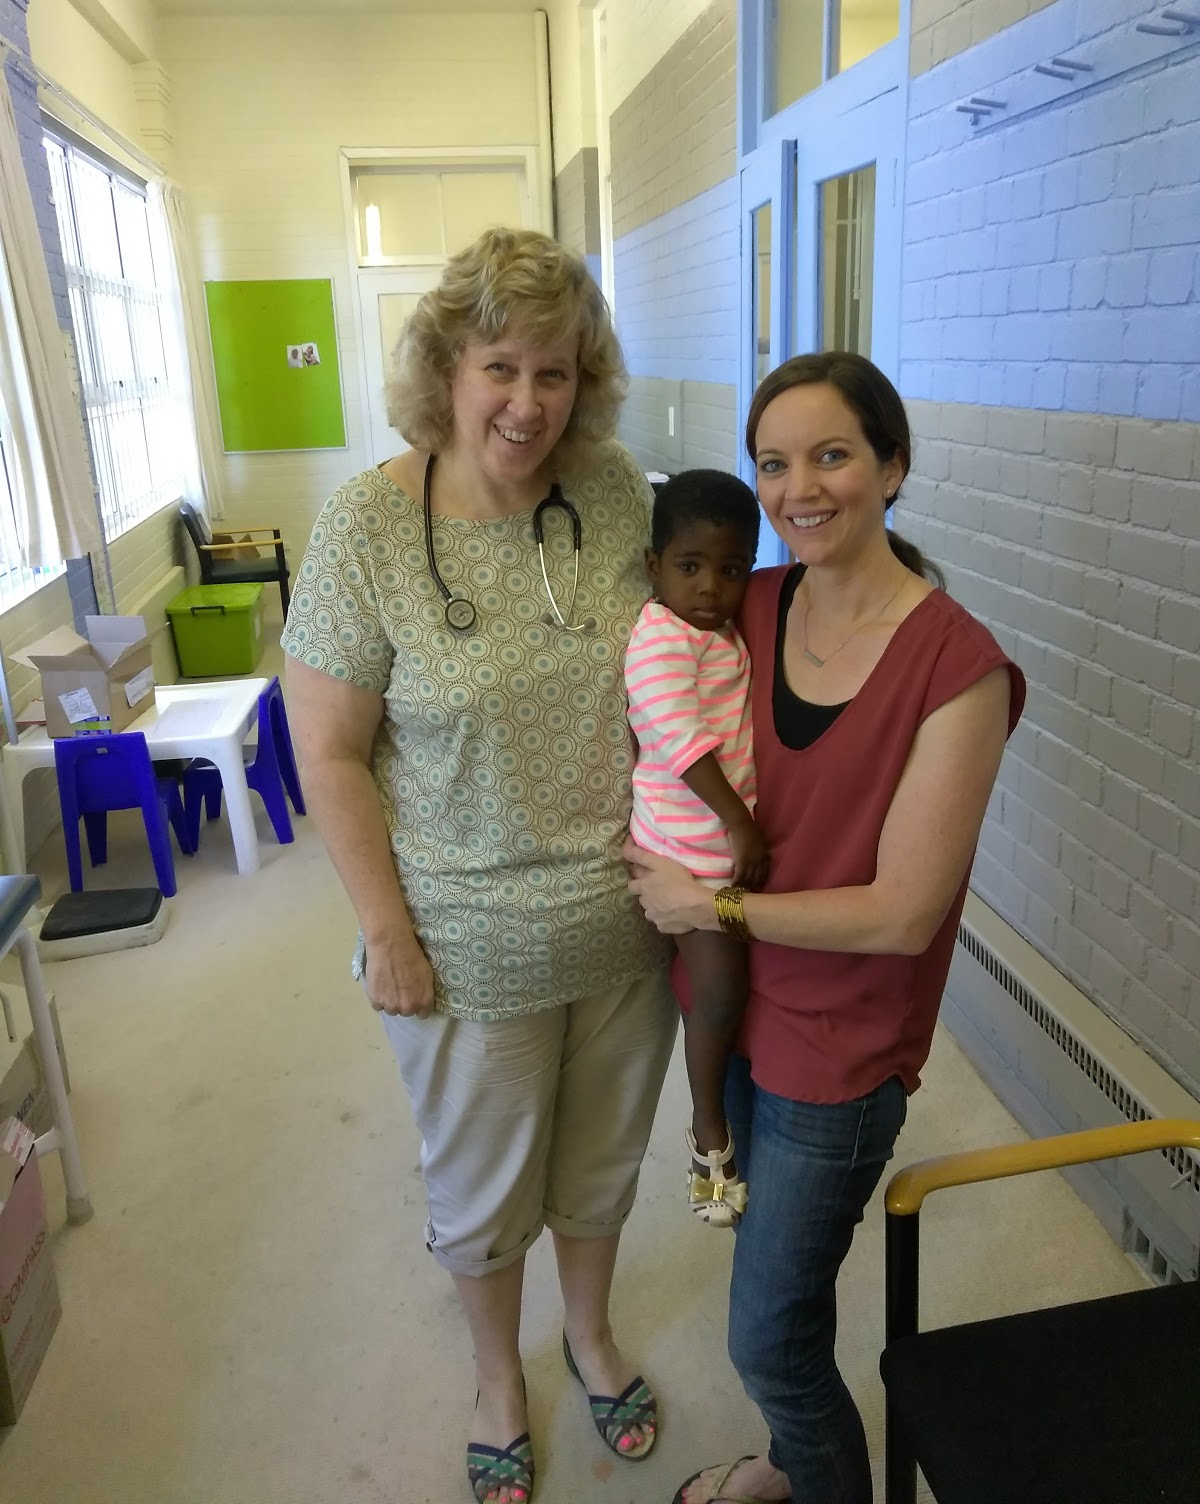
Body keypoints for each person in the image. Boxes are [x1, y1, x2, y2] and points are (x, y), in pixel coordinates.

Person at [282, 228, 677, 1504]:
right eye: (501, 367)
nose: (527, 402)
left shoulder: (614, 493)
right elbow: (329, 751)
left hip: (629, 921)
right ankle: (499, 1378)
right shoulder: (367, 527)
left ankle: (592, 1336)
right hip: (466, 940)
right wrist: (385, 932)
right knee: (484, 1188)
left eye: (555, 372)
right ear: (447, 367)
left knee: (602, 1163)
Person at [625, 351, 1026, 1504]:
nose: (798, 487)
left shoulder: (958, 670)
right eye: (774, 464)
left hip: (837, 1051)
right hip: (732, 1005)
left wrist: (711, 904)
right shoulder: (747, 601)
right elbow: (652, 695)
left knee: (767, 1338)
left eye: (833, 454)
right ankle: (788, 1464)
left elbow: (903, 915)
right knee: (773, 1281)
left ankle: (815, 1470)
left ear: (893, 465)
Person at [625, 469, 767, 1227]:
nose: (710, 586)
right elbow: (680, 742)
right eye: (690, 566)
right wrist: (741, 822)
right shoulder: (660, 637)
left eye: (731, 569)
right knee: (718, 996)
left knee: (729, 991)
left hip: (707, 840)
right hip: (688, 850)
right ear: (655, 567)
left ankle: (720, 1115)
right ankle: (708, 1130)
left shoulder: (715, 632)